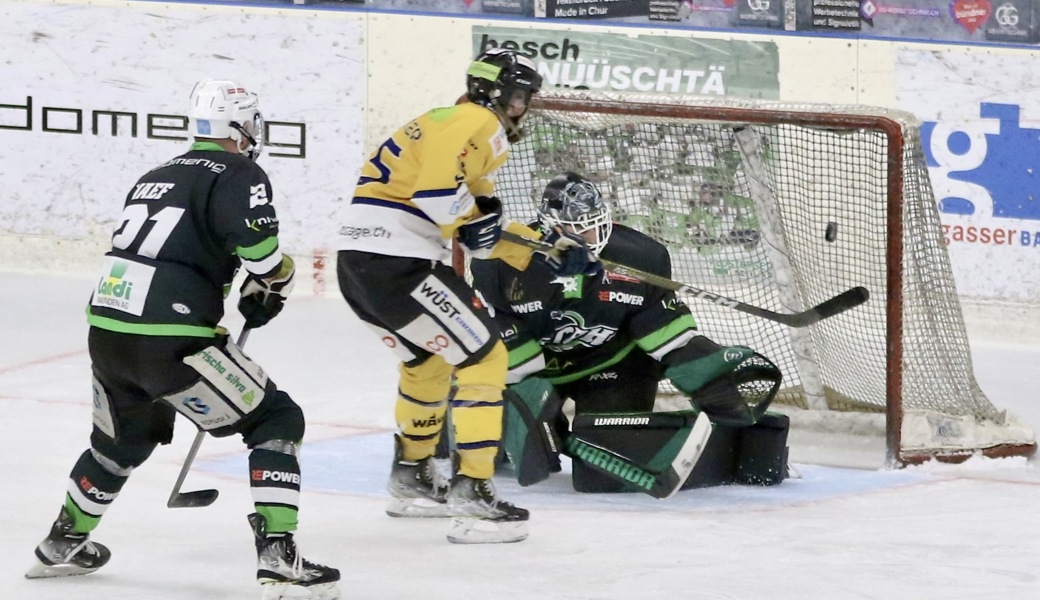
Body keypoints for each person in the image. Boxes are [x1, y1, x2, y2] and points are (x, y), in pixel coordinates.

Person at [25, 80, 340, 600]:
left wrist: (235, 285)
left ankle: (62, 543)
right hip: (171, 341)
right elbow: (262, 254)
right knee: (277, 419)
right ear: (240, 126)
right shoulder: (240, 171)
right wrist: (275, 277)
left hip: (108, 333)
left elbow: (178, 248)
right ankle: (279, 557)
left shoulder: (154, 175)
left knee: (119, 442)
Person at [335, 48, 600, 543]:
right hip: (400, 262)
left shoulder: (448, 125)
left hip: (361, 264)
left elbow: (479, 226)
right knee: (485, 356)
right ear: (498, 93)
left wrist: (547, 249)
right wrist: (471, 224)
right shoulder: (474, 120)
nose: (524, 108)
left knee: (427, 364)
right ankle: (473, 490)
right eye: (521, 97)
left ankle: (412, 477)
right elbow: (442, 202)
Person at [468, 172, 790, 497]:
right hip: (536, 366)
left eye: (592, 226)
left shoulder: (641, 257)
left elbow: (662, 327)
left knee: (601, 476)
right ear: (547, 227)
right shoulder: (499, 263)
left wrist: (699, 365)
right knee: (494, 448)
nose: (587, 239)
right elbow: (496, 333)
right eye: (573, 230)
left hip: (610, 365)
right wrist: (529, 397)